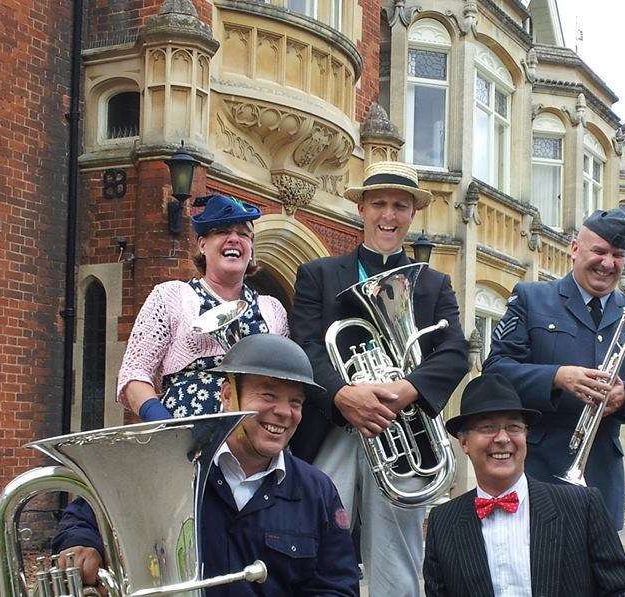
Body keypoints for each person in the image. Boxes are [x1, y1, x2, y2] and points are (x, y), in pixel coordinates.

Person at [53, 334, 361, 597]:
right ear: (228, 396)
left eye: (296, 402)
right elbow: (85, 514)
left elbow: (336, 586)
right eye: (268, 394)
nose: (283, 412)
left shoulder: (317, 491)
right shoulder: (171, 465)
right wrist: (82, 544)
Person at [290, 160, 470, 596]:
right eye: (379, 204)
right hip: (334, 429)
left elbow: (455, 352)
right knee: (316, 543)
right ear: (362, 209)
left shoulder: (434, 284)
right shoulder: (318, 274)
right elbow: (306, 348)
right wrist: (343, 395)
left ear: (413, 214)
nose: (388, 216)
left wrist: (405, 390)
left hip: (400, 432)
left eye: (400, 206)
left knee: (398, 557)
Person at [483, 207, 625, 529]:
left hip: (602, 476)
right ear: (575, 248)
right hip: (536, 468)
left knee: (599, 577)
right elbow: (495, 371)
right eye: (599, 251)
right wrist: (557, 377)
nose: (608, 263)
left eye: (618, 255)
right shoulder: (532, 298)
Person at [423, 373, 625, 597]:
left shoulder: (582, 506)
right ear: (464, 443)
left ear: (525, 436)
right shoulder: (442, 522)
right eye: (487, 428)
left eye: (513, 427)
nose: (502, 438)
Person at [117, 193, 288, 422]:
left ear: (251, 248)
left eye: (243, 234)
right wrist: (163, 423)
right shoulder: (170, 296)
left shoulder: (273, 309)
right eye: (222, 231)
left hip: (255, 435)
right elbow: (134, 373)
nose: (234, 239)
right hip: (186, 436)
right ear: (202, 244)